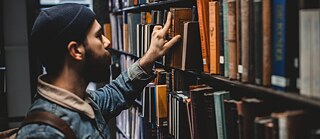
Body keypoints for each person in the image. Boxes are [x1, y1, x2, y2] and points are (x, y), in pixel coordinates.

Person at [15, 3, 181, 139]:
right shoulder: (43, 132)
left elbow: (116, 92)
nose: (107, 42)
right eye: (99, 35)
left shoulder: (82, 102)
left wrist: (150, 57)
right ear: (76, 51)